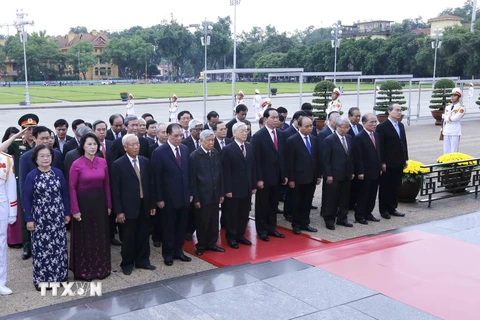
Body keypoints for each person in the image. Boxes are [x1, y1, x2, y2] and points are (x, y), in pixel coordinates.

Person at [22, 145, 70, 291]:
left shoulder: (58, 173)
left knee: (58, 248)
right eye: (42, 156)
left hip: (57, 217)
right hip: (40, 218)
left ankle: (60, 277)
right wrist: (28, 219)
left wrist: (67, 213)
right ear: (36, 159)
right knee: (42, 249)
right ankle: (42, 280)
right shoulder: (32, 176)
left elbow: (65, 194)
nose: (45, 158)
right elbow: (26, 198)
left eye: (48, 155)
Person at [69, 132, 112, 280]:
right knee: (85, 236)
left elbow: (106, 184)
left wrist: (109, 204)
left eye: (95, 144)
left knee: (100, 235)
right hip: (83, 204)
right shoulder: (77, 164)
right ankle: (84, 271)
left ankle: (101, 268)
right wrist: (75, 209)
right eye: (89, 144)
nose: (92, 147)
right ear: (83, 146)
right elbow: (72, 187)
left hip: (99, 203)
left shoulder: (103, 162)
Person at [111, 135, 156, 275]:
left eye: (137, 144)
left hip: (144, 204)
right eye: (132, 144)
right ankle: (127, 263)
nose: (136, 147)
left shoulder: (145, 161)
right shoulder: (118, 164)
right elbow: (116, 189)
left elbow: (150, 184)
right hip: (127, 207)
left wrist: (152, 205)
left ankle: (143, 260)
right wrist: (119, 211)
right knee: (128, 237)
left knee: (143, 235)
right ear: (125, 147)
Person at [151, 124, 193, 266]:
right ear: (168, 135)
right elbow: (156, 178)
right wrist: (159, 198)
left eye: (181, 135)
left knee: (181, 226)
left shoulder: (185, 149)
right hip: (168, 198)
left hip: (184, 196)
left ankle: (178, 251)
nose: (179, 138)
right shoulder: (159, 152)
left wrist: (191, 192)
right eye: (176, 136)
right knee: (169, 227)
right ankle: (168, 254)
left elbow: (189, 173)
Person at [4, 114, 38, 259]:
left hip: (39, 184)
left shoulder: (40, 142)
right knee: (26, 215)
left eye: (32, 128)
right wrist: (17, 134)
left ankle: (38, 245)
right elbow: (2, 148)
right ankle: (27, 246)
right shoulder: (17, 143)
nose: (30, 131)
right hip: (23, 184)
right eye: (27, 129)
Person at [252, 108, 287, 241]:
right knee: (263, 205)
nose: (276, 120)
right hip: (265, 178)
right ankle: (262, 230)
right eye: (273, 117)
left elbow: (283, 157)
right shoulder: (259, 136)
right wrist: (259, 179)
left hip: (277, 177)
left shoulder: (281, 134)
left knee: (273, 204)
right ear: (265, 119)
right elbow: (256, 160)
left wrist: (284, 174)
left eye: (277, 117)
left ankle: (272, 227)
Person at [190, 130, 224, 256]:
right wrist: (196, 199)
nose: (211, 142)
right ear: (201, 141)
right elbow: (193, 179)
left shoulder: (215, 153)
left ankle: (212, 243)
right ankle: (201, 245)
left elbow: (220, 174)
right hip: (202, 196)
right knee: (203, 222)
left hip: (215, 194)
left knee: (214, 221)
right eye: (208, 140)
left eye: (212, 140)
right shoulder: (195, 156)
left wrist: (221, 193)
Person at [222, 123, 256, 248]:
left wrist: (253, 185)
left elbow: (253, 168)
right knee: (232, 214)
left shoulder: (250, 148)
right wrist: (228, 189)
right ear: (234, 133)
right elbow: (226, 171)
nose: (245, 133)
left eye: (246, 131)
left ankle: (241, 235)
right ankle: (231, 237)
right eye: (242, 131)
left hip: (246, 187)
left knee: (244, 213)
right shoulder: (228, 149)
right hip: (234, 188)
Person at [286, 117, 320, 235]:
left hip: (311, 177)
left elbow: (317, 159)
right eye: (307, 126)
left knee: (307, 201)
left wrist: (318, 175)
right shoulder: (292, 140)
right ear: (299, 127)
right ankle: (296, 224)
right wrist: (291, 179)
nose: (310, 128)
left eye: (311, 126)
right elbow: (289, 161)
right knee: (297, 201)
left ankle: (305, 223)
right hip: (298, 178)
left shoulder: (314, 139)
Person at [321, 117, 355, 230]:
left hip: (346, 174)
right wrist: (328, 175)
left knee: (344, 198)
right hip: (334, 175)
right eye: (343, 127)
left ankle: (342, 218)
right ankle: (329, 219)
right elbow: (325, 160)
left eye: (347, 127)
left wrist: (352, 171)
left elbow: (351, 157)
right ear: (337, 127)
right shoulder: (329, 139)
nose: (345, 130)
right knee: (331, 199)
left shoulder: (349, 138)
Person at [376, 104, 408, 219]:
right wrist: (382, 162)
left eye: (400, 110)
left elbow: (403, 143)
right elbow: (380, 146)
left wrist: (405, 158)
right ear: (389, 111)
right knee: (385, 186)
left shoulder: (401, 125)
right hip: (388, 162)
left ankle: (392, 207)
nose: (399, 112)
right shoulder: (382, 127)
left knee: (396, 185)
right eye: (396, 110)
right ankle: (383, 209)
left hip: (399, 161)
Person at [352, 113, 382, 224]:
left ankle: (368, 213)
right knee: (363, 195)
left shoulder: (377, 135)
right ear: (364, 123)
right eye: (371, 122)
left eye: (375, 122)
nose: (374, 124)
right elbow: (357, 157)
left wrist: (380, 166)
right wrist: (360, 171)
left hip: (375, 171)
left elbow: (378, 152)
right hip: (364, 172)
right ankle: (360, 216)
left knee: (372, 194)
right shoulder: (359, 137)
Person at [0, 151, 17, 295]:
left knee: (1, 246)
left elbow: (11, 187)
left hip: (1, 206)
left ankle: (1, 281)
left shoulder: (6, 159)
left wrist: (13, 212)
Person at [442, 88, 466, 154]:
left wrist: (446, 117)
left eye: (454, 96)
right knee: (446, 150)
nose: (452, 97)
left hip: (455, 131)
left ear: (459, 97)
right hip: (446, 130)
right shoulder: (448, 107)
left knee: (454, 150)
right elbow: (444, 120)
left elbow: (455, 118)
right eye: (451, 95)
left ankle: (453, 164)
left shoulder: (461, 107)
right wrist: (442, 129)